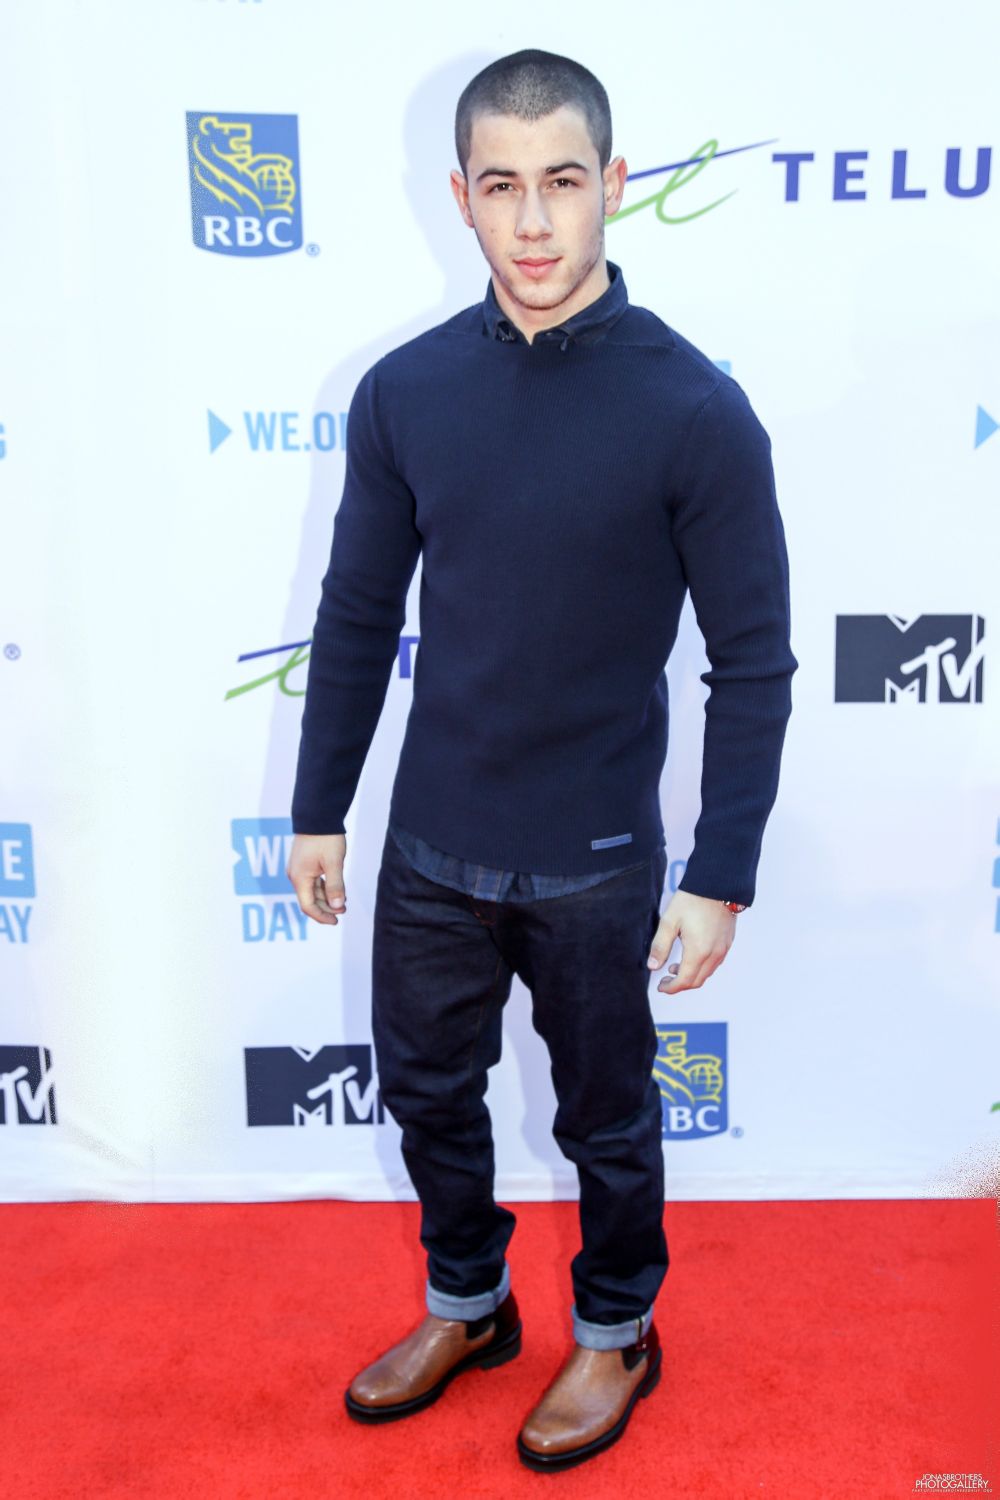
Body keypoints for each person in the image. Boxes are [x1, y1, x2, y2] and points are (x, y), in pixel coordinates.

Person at [287, 47, 797, 1473]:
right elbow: (357, 613)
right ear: (459, 195)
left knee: (607, 1123)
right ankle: (471, 1306)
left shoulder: (694, 410)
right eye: (500, 186)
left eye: (561, 182)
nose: (531, 221)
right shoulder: (405, 391)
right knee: (427, 1098)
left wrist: (722, 872)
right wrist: (320, 807)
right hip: (432, 843)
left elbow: (753, 662)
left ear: (612, 186)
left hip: (597, 859)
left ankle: (618, 1331)